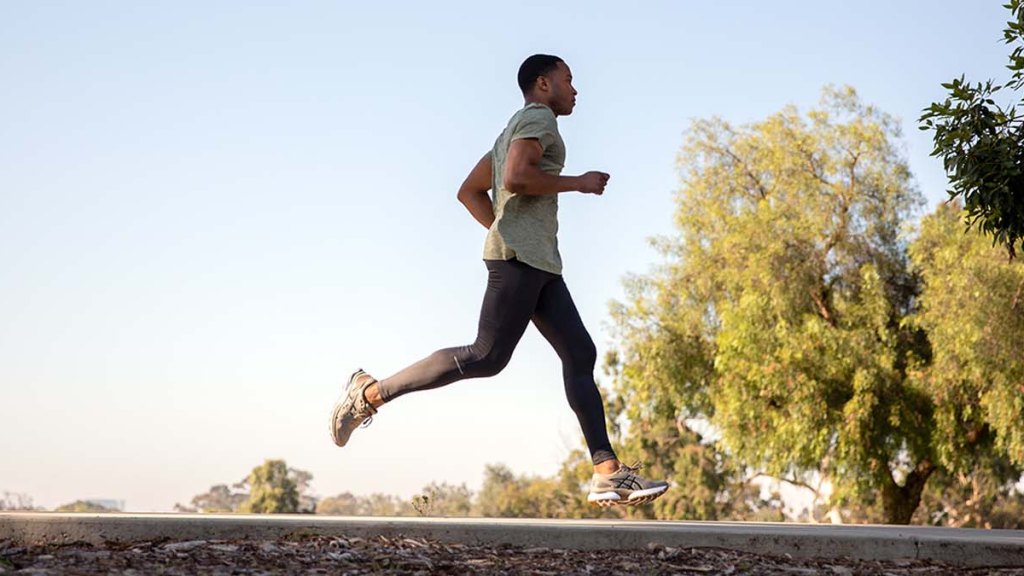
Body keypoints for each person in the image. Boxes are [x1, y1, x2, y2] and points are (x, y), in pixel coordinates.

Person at [330, 54, 668, 507]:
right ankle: (369, 394)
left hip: (538, 262)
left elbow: (469, 190)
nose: (575, 89)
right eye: (569, 79)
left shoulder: (511, 129)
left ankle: (607, 473)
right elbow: (516, 177)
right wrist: (578, 183)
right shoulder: (538, 119)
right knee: (486, 356)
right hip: (521, 260)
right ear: (543, 84)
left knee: (579, 353)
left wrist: (503, 230)